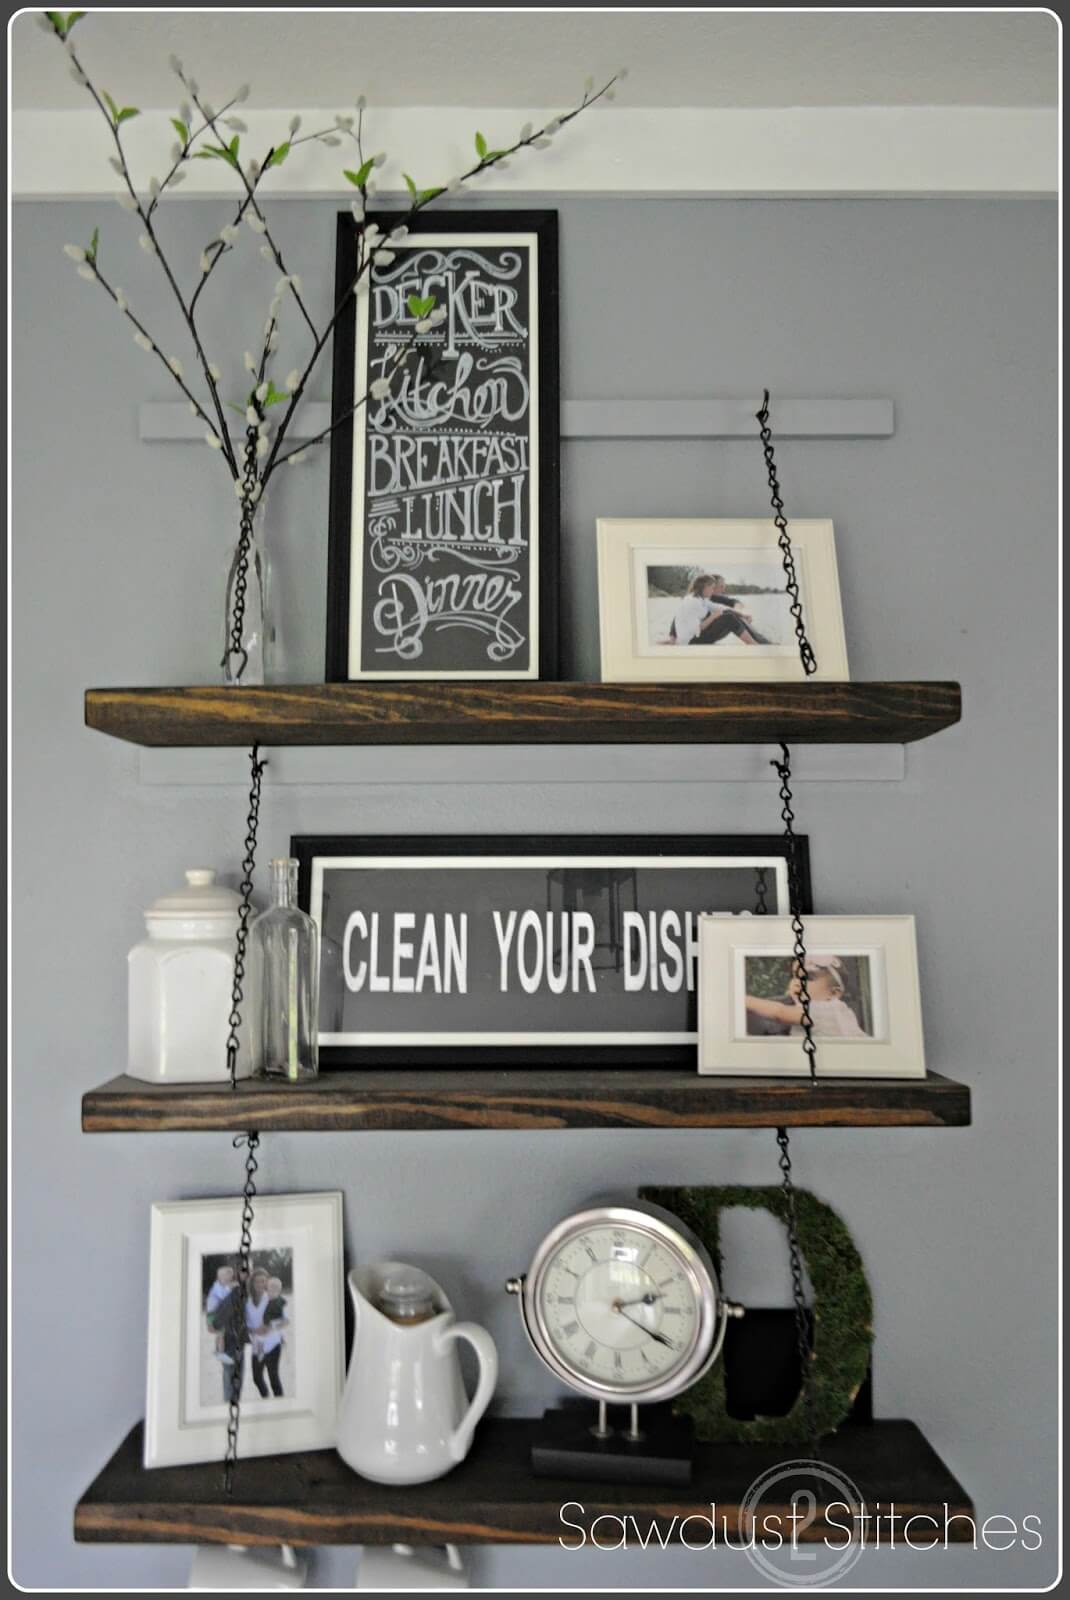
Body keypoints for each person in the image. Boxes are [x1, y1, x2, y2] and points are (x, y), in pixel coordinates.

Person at [745, 956, 869, 1038]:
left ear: (833, 993)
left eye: (807, 978)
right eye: (794, 976)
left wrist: (746, 1000)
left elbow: (780, 1012)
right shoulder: (838, 1009)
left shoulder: (826, 1009)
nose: (797, 982)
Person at [668, 574, 770, 647]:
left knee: (729, 614)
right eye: (712, 588)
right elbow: (696, 629)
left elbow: (723, 607)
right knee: (729, 618)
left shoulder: (702, 599)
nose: (713, 591)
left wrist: (743, 615)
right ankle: (755, 645)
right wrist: (713, 616)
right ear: (705, 587)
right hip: (691, 642)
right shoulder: (692, 602)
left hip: (696, 637)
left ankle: (757, 643)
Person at [246, 1268, 288, 1399]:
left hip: (273, 1344)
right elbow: (246, 1325)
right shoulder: (247, 1303)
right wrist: (253, 1330)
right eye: (257, 1281)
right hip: (257, 1346)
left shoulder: (272, 1298)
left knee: (273, 1378)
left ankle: (280, 1404)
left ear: (267, 1283)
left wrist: (270, 1327)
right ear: (252, 1283)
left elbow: (285, 1321)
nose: (260, 1284)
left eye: (263, 1281)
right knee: (257, 1378)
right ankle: (266, 1399)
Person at [205, 1264, 237, 1366]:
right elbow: (224, 1298)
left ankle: (217, 1349)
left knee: (219, 1334)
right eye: (227, 1279)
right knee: (221, 1334)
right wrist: (232, 1288)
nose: (229, 1281)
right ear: (220, 1278)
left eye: (230, 1279)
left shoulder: (221, 1286)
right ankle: (221, 1354)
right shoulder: (217, 1288)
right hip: (213, 1314)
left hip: (214, 1313)